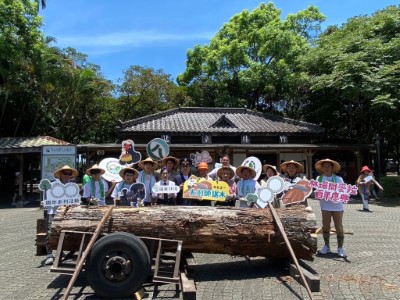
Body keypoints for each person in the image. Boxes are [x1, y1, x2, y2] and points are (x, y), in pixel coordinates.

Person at [45, 165, 79, 265]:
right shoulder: (53, 185)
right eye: (65, 173)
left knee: (64, 232)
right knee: (50, 231)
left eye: (69, 174)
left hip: (67, 213)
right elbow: (48, 199)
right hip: (54, 211)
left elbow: (76, 199)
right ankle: (49, 254)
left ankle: (62, 251)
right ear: (60, 174)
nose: (67, 175)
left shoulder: (73, 186)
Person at [314, 158, 346, 258]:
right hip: (325, 206)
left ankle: (340, 247)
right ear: (322, 168)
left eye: (329, 166)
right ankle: (326, 245)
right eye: (325, 166)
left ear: (332, 168)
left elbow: (342, 191)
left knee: (339, 227)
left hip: (337, 207)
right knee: (325, 226)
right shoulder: (319, 178)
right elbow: (317, 191)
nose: (327, 168)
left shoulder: (338, 179)